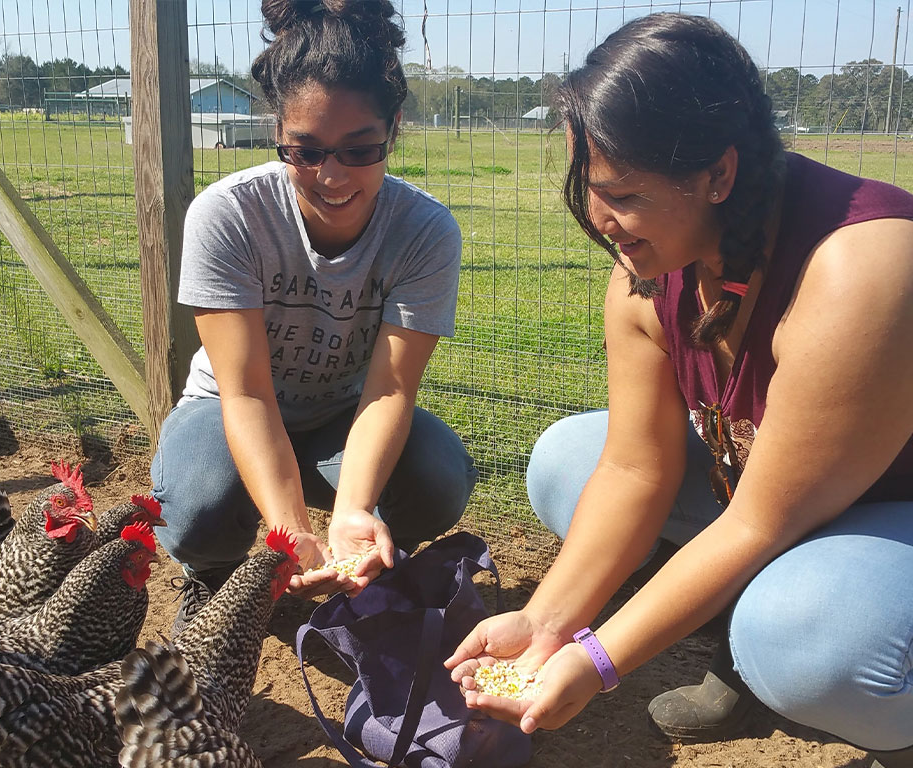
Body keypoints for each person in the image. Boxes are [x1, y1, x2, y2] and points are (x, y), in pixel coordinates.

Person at [445, 13, 913, 767]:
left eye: (621, 194)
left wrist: (598, 663)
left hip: (887, 513)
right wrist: (545, 623)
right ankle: (738, 648)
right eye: (587, 189)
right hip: (793, 502)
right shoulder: (649, 274)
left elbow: (762, 519)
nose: (599, 222)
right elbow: (636, 470)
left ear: (718, 175)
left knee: (803, 633)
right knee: (571, 458)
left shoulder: (863, 266)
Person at [151, 0, 477, 633]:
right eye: (305, 150)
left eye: (359, 151)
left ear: (395, 127)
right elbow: (246, 395)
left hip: (342, 416)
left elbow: (389, 390)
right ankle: (218, 576)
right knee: (196, 508)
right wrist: (288, 529)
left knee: (439, 477)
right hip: (227, 413)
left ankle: (363, 551)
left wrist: (352, 507)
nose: (331, 176)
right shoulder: (229, 215)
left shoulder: (425, 229)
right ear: (278, 130)